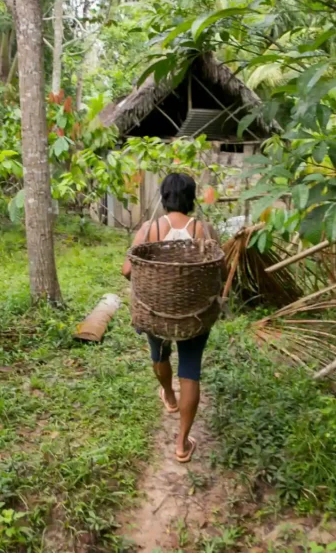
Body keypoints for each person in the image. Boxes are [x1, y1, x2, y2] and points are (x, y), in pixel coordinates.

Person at [122, 172, 213, 463]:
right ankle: (182, 444)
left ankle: (168, 396)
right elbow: (217, 270)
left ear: (164, 197)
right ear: (191, 198)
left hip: (156, 313)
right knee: (190, 371)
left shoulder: (149, 229)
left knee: (159, 354)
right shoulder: (203, 229)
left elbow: (127, 269)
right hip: (194, 316)